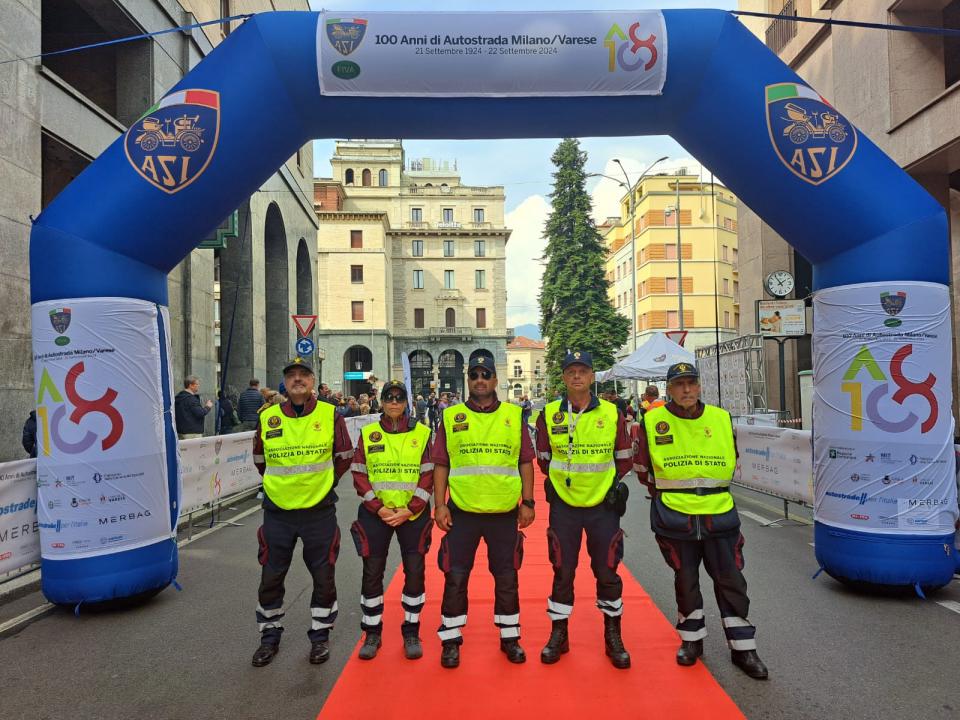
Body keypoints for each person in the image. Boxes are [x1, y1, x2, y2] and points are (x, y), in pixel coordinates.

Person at [634, 362, 768, 680]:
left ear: (699, 386)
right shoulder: (652, 420)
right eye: (679, 384)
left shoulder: (720, 419)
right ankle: (691, 641)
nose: (686, 390)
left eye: (691, 383)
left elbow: (733, 456)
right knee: (685, 580)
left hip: (719, 513)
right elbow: (643, 469)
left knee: (731, 580)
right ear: (668, 389)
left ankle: (743, 648)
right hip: (675, 515)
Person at [432, 351, 536, 668]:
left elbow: (524, 462)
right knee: (455, 576)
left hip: (504, 513)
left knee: (506, 577)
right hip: (462, 512)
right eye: (474, 375)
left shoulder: (512, 415)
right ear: (469, 380)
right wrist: (439, 504)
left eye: (485, 375)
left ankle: (510, 638)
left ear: (494, 379)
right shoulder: (450, 417)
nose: (480, 380)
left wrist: (528, 502)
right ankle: (451, 640)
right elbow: (441, 464)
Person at [250, 357, 354, 668]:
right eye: (291, 375)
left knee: (323, 576)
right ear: (284, 382)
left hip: (318, 511)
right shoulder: (268, 417)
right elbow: (259, 459)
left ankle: (320, 637)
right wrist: (281, 486)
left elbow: (344, 455)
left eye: (304, 375)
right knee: (271, 575)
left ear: (312, 381)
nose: (298, 379)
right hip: (278, 512)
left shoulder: (330, 413)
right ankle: (269, 637)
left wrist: (324, 483)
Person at [535, 351, 634, 668]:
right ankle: (559, 635)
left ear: (593, 377)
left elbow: (624, 457)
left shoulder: (612, 413)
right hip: (564, 506)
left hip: (602, 507)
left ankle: (613, 636)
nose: (577, 376)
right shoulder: (549, 414)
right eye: (571, 371)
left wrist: (610, 486)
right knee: (562, 570)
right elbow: (544, 458)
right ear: (564, 378)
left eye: (583, 371)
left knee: (607, 570)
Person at [350, 380, 434, 661]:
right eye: (389, 398)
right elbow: (359, 472)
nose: (394, 402)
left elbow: (428, 474)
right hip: (377, 515)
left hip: (413, 515)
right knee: (372, 573)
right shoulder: (369, 433)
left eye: (399, 398)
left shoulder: (422, 433)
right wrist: (378, 507)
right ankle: (372, 632)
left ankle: (411, 629)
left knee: (415, 571)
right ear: (382, 402)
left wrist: (411, 508)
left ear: (406, 402)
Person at [174, 375, 213, 439]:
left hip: (181, 432)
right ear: (190, 385)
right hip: (192, 433)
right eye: (197, 384)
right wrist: (208, 406)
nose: (198, 386)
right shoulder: (191, 399)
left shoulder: (178, 397)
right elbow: (200, 413)